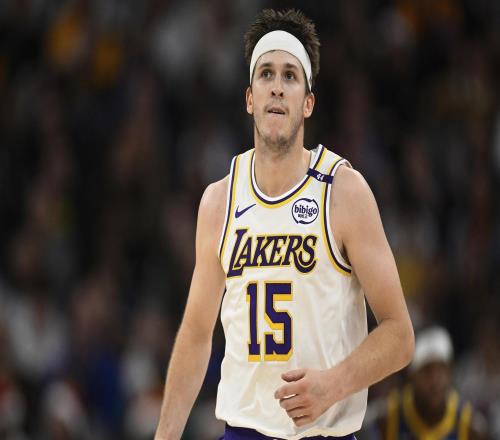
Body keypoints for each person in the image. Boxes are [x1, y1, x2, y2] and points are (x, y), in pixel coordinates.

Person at [154, 9, 414, 440]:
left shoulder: (343, 192)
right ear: (249, 98)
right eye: (266, 74)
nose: (277, 86)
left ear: (307, 102)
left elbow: (400, 335)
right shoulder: (219, 201)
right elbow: (197, 334)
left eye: (290, 76)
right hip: (243, 432)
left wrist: (334, 385)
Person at [365, 326, 487, 440]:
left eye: (441, 369)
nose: (435, 380)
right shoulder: (387, 418)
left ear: (450, 372)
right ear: (412, 375)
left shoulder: (469, 424)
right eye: (427, 371)